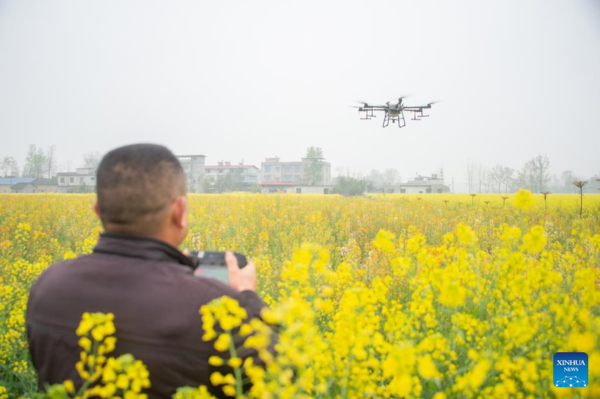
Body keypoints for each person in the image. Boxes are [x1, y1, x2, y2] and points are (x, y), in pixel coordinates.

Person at [26, 144, 272, 398]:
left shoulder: (47, 286)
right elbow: (279, 379)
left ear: (98, 211)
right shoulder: (215, 307)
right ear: (179, 211)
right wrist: (247, 298)